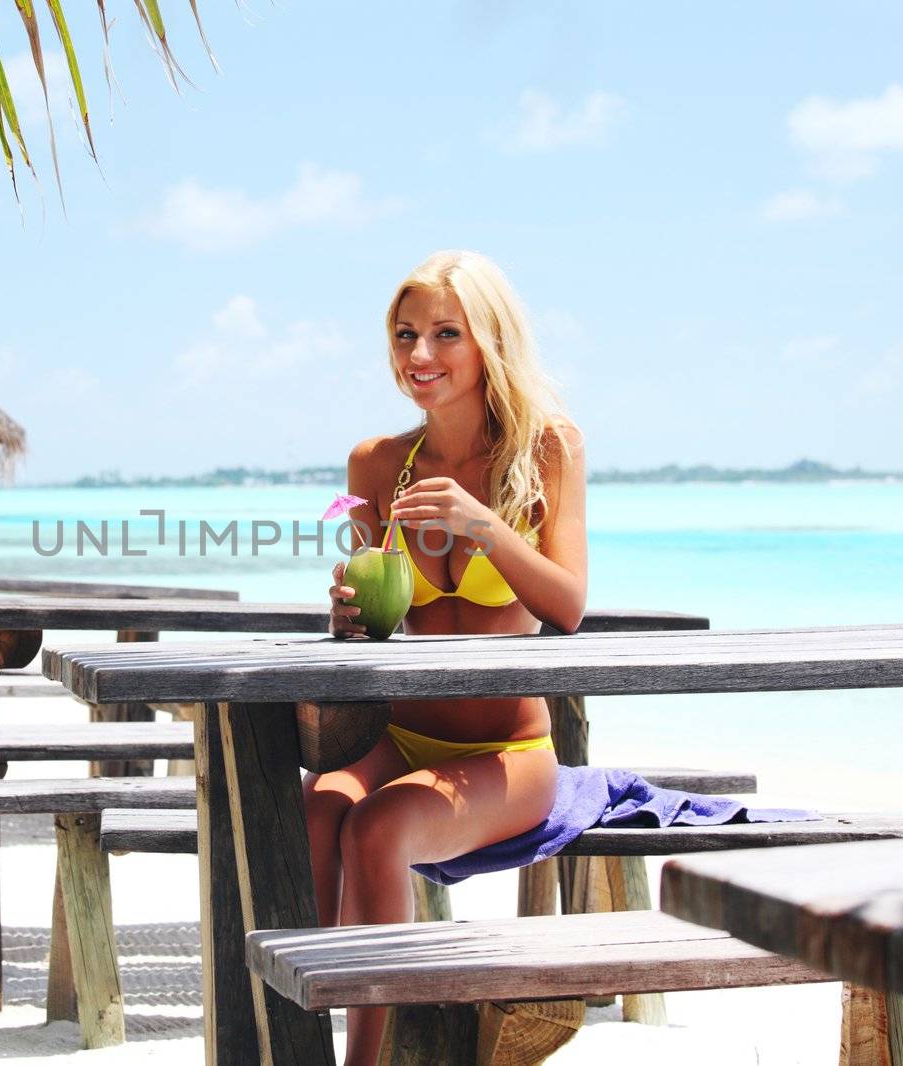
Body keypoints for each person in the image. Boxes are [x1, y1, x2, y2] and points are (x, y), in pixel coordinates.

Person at [314, 249, 588, 1064]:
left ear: (489, 344)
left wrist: (483, 526)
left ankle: (368, 1060)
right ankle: (295, 1028)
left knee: (379, 826)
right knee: (317, 811)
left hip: (508, 753)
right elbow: (375, 637)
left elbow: (567, 607)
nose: (420, 356)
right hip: (399, 738)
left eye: (445, 334)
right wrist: (347, 617)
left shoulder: (547, 451)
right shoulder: (375, 465)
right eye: (405, 336)